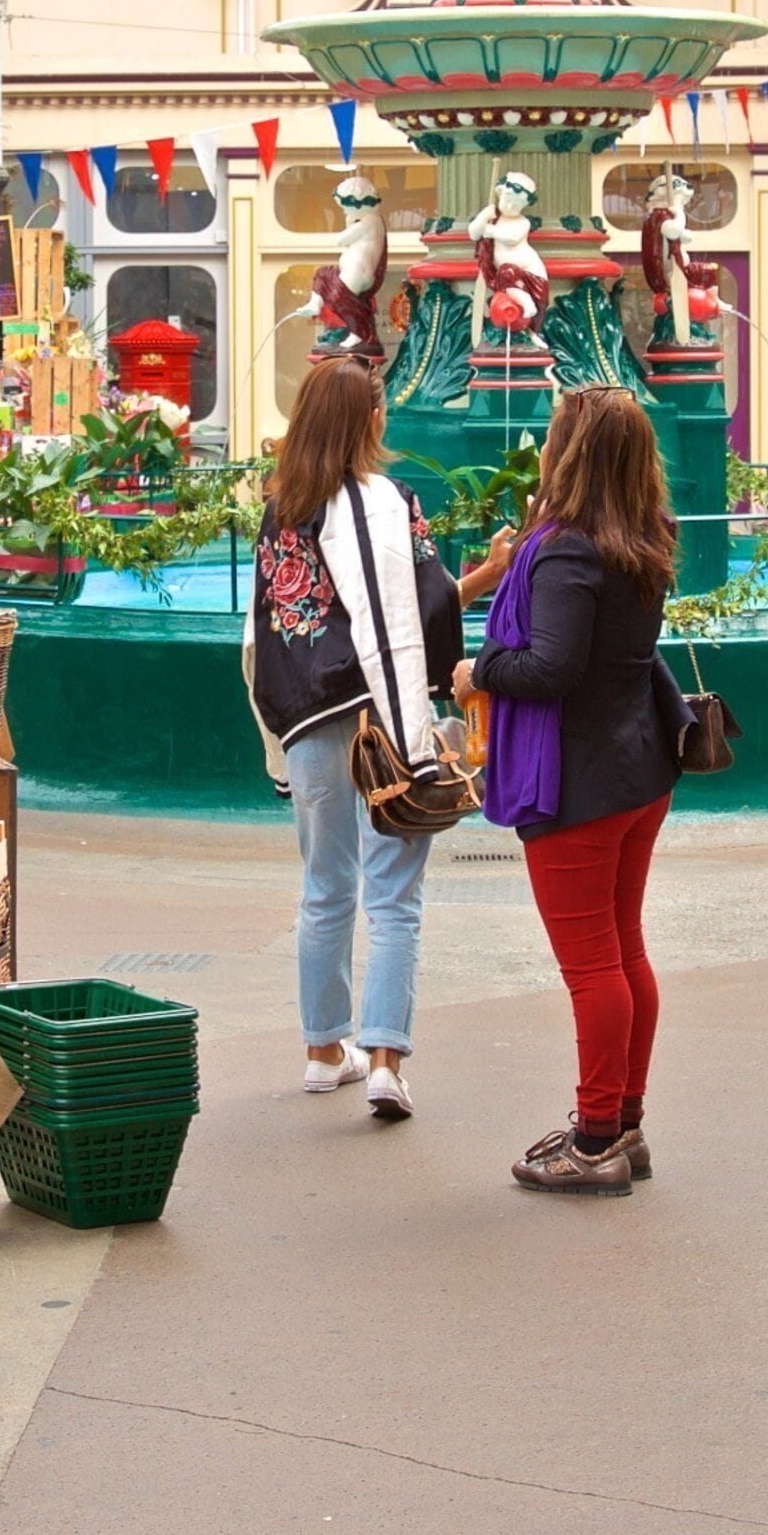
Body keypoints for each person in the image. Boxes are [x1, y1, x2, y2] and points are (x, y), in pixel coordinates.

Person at [455, 385, 689, 1198]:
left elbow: (549, 668)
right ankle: (623, 1124)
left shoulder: (567, 550)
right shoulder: (649, 535)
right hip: (640, 773)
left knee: (593, 967)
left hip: (578, 786)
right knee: (624, 951)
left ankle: (593, 1141)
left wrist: (474, 668)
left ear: (570, 455)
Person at [246, 358, 495, 1121]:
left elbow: (274, 627)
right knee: (395, 897)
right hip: (382, 721)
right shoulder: (390, 503)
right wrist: (494, 571)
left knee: (325, 889)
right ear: (367, 422)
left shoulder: (281, 509)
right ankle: (385, 1060)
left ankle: (325, 1051)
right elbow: (418, 615)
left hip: (313, 724)